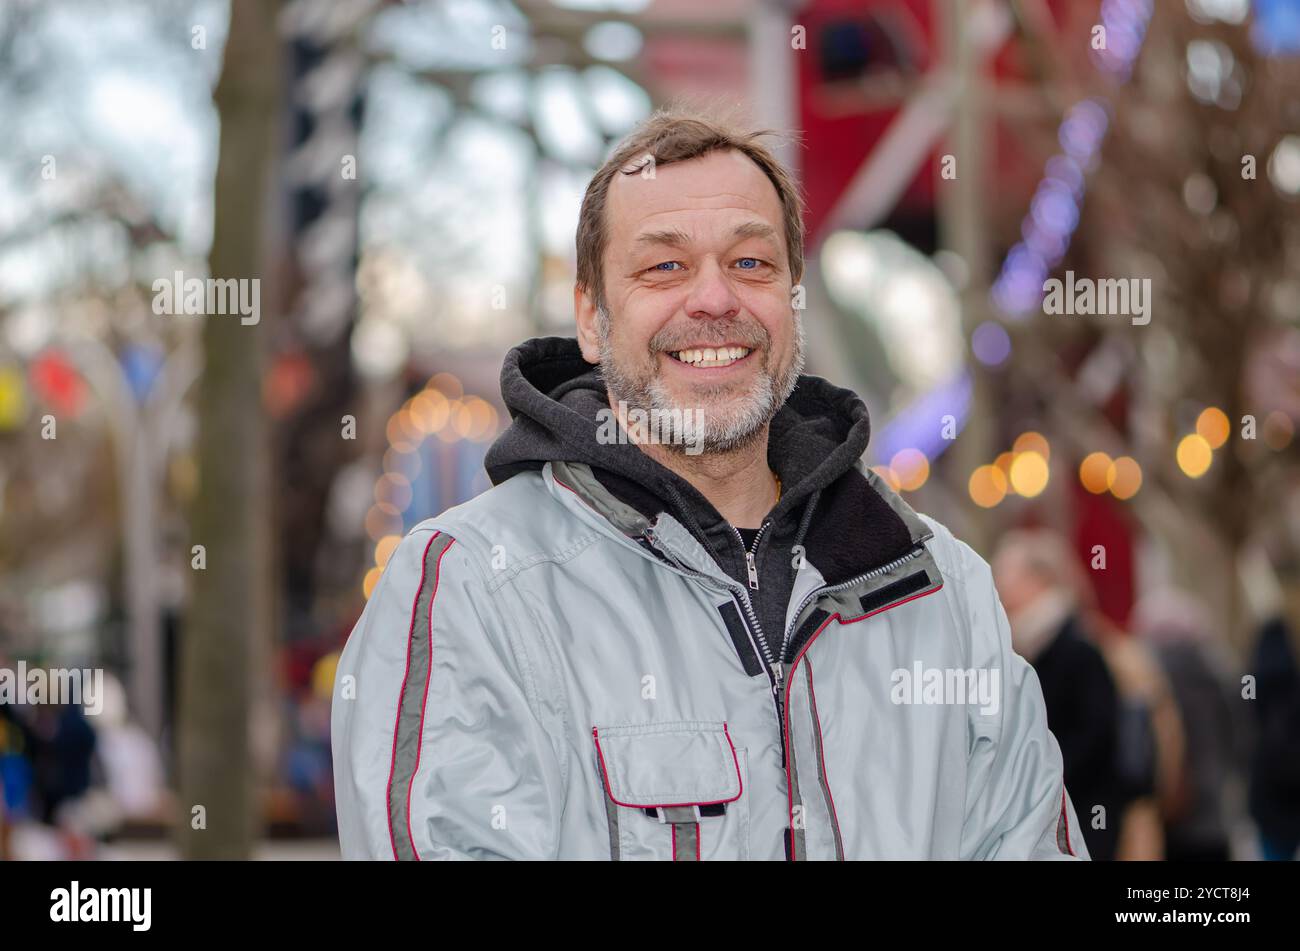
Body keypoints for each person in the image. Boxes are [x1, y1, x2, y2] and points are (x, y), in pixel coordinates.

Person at [332, 110, 1087, 860]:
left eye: (752, 263)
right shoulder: (471, 591)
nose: (715, 299)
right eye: (664, 265)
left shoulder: (940, 592)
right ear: (592, 319)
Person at [991, 529, 1124, 860]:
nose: (999, 587)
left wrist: (1039, 770)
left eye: (1008, 574)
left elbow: (1097, 735)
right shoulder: (1023, 647)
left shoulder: (1077, 648)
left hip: (1081, 814)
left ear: (1038, 580)